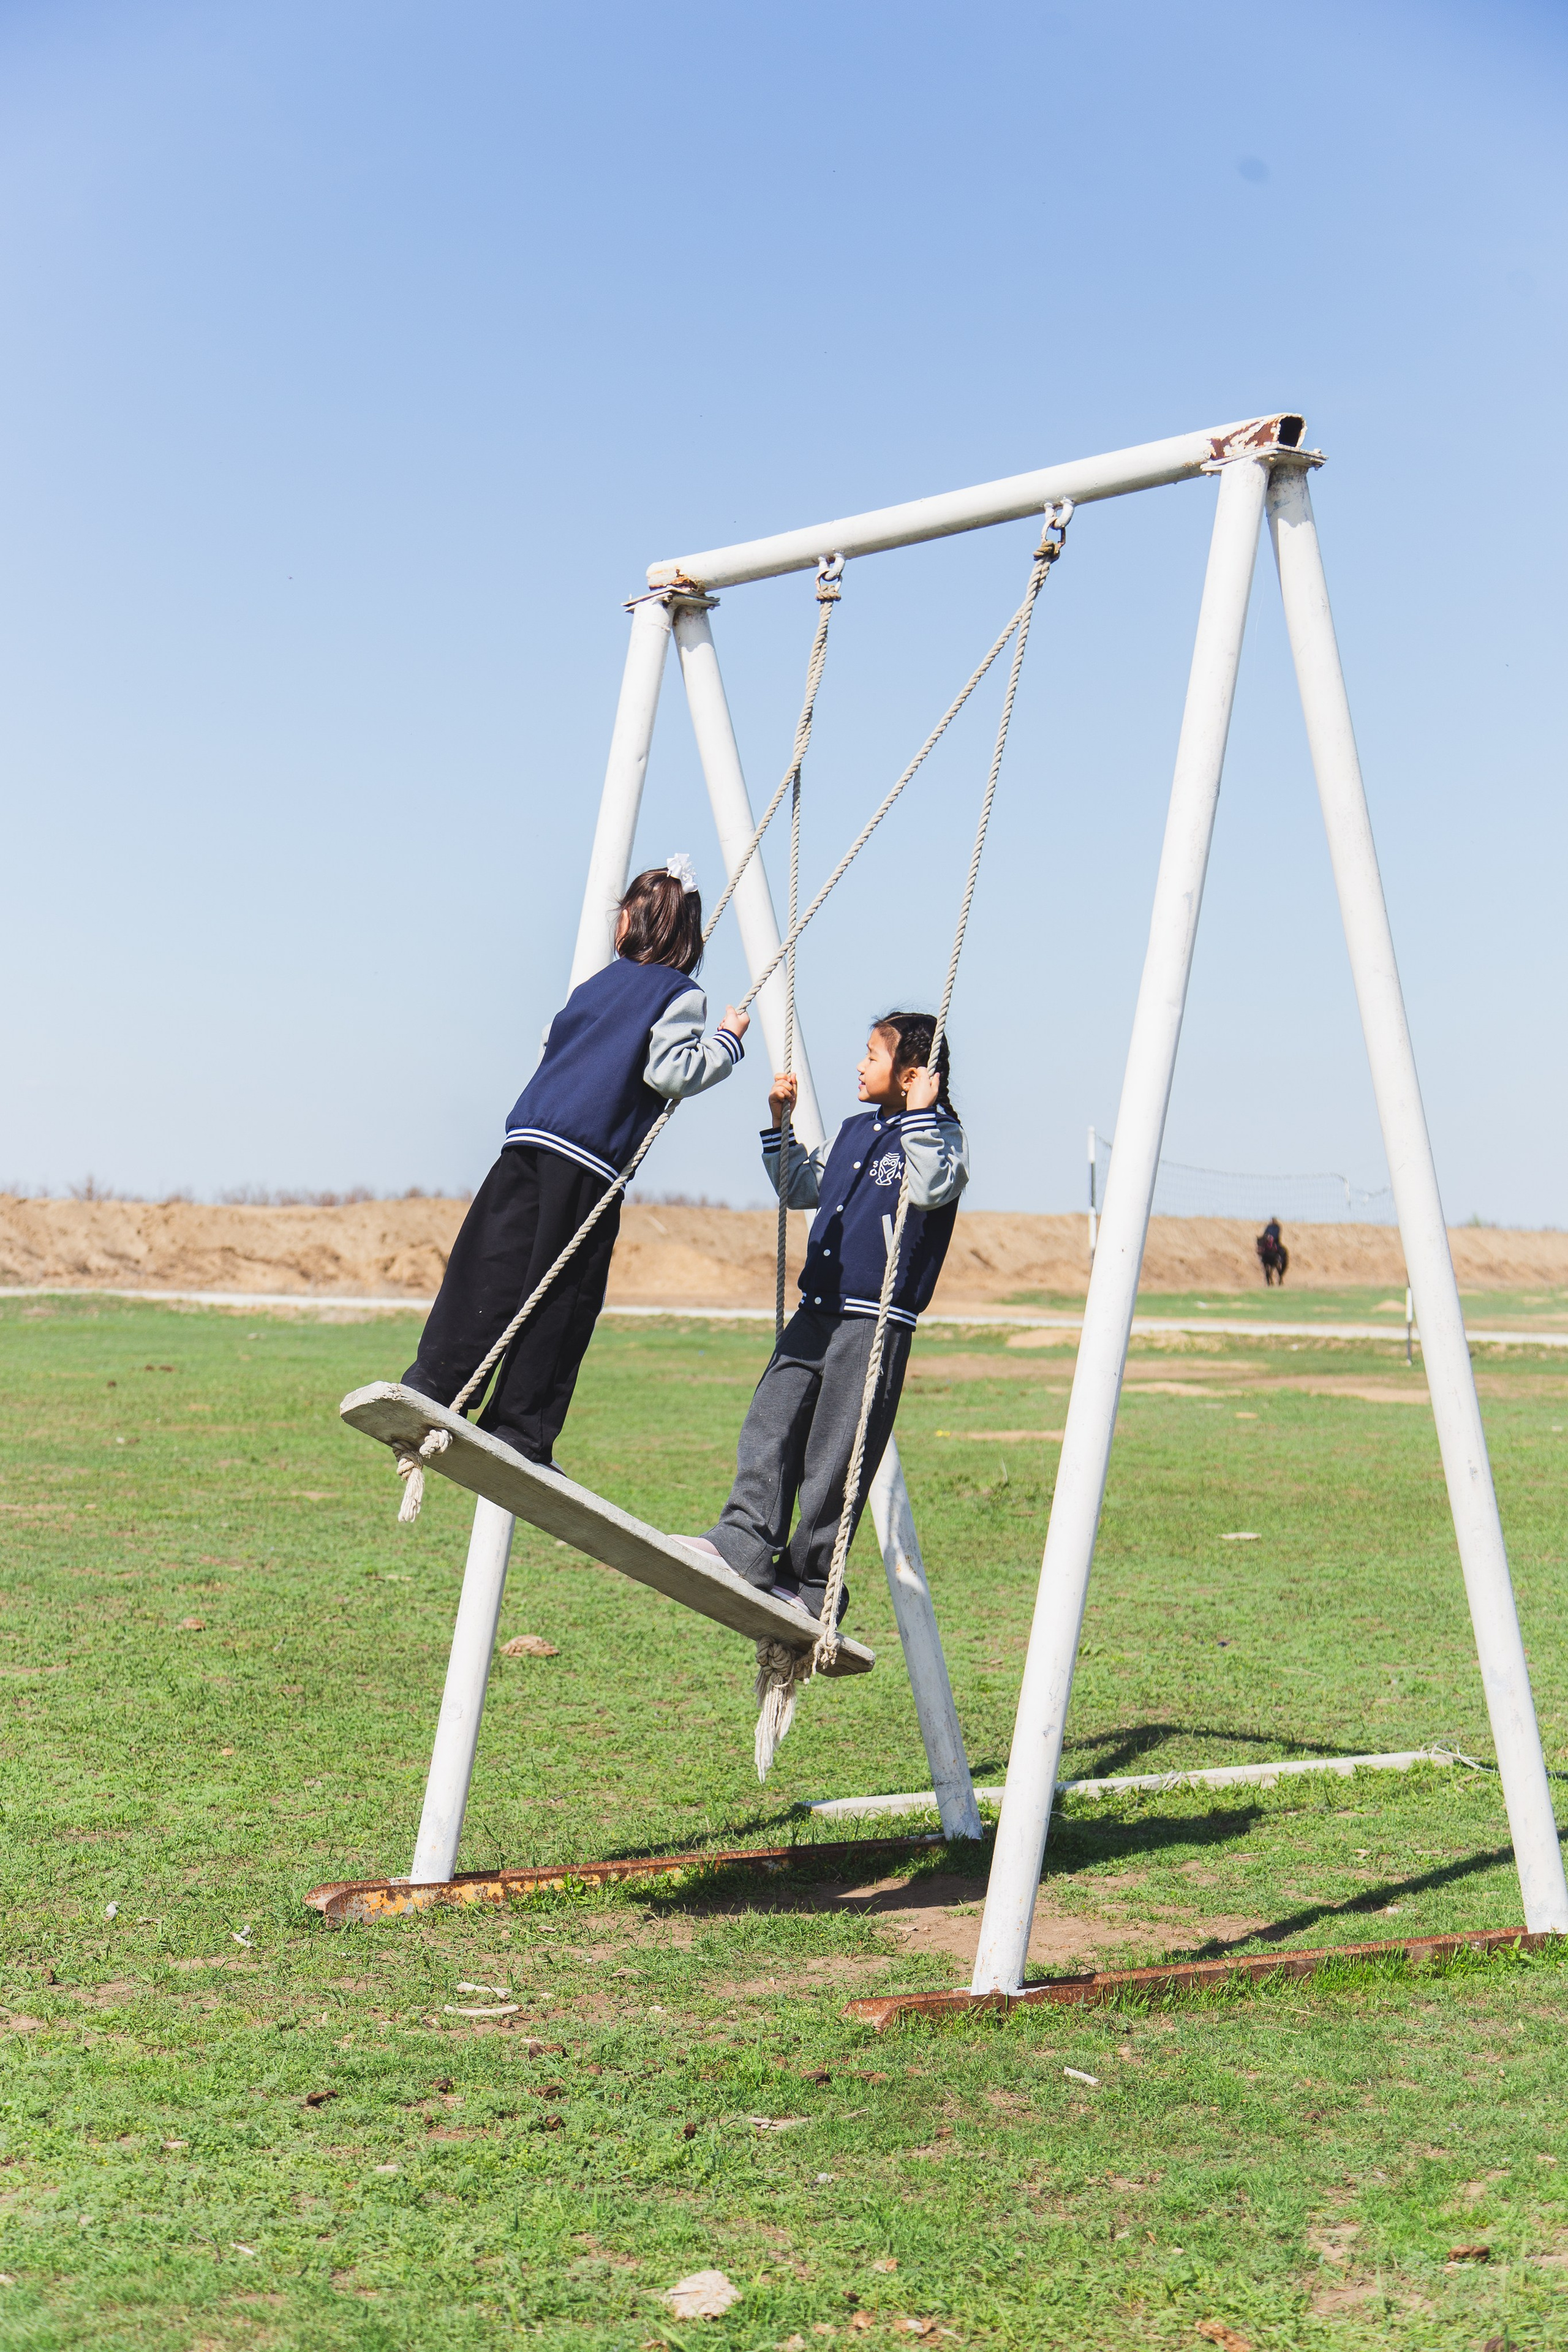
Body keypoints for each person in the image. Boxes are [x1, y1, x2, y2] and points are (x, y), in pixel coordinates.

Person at [403, 858, 747, 1466]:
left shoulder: (592, 986)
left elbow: (550, 1042)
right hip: (587, 1159)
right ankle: (519, 1428)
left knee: (489, 1268)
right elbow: (670, 1072)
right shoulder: (680, 993)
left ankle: (434, 1383)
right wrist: (726, 1042)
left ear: (631, 923)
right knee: (562, 1293)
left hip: (527, 1138)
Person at [685, 1011, 968, 1625]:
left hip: (872, 1322)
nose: (860, 1066)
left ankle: (812, 1584)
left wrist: (921, 1115)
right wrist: (779, 1127)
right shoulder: (852, 1131)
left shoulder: (940, 1135)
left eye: (873, 1056)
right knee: (770, 1419)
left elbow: (931, 1189)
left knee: (833, 1456)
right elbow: (800, 1188)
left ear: (912, 1075)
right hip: (818, 1307)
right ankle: (743, 1542)